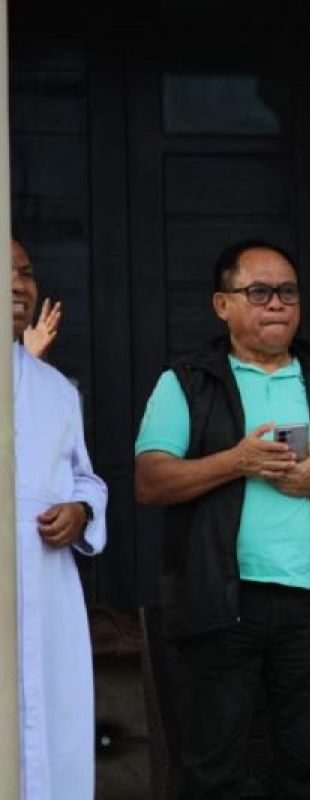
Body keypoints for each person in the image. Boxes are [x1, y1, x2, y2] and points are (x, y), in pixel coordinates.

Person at [134, 239, 310, 798]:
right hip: (218, 603)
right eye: (258, 292)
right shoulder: (187, 381)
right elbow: (151, 480)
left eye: (287, 292)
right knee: (212, 773)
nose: (276, 303)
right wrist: (238, 461)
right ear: (221, 304)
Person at [11, 239, 109, 799]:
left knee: (52, 730)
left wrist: (80, 510)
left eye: (26, 273)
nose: (19, 285)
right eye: (6, 272)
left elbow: (85, 478)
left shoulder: (55, 389)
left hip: (47, 594)